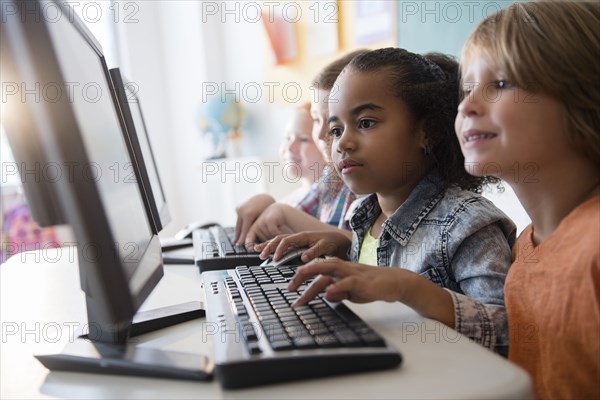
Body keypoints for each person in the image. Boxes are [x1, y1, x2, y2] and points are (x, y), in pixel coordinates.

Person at [261, 48, 516, 356]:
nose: (342, 143)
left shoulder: (467, 224)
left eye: (366, 123)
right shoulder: (362, 217)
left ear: (427, 131)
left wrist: (407, 287)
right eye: (336, 129)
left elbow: (508, 334)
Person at [455, 2, 599, 398]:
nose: (467, 105)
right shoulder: (524, 248)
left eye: (500, 84)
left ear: (585, 97)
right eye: (466, 90)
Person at [234, 50, 368, 247]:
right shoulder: (331, 179)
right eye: (316, 119)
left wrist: (284, 213)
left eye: (333, 122)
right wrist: (269, 205)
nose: (321, 134)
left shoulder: (370, 182)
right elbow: (287, 217)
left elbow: (366, 252)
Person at [279, 102, 324, 207]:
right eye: (287, 137)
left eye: (304, 139)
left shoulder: (335, 200)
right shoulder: (287, 202)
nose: (290, 148)